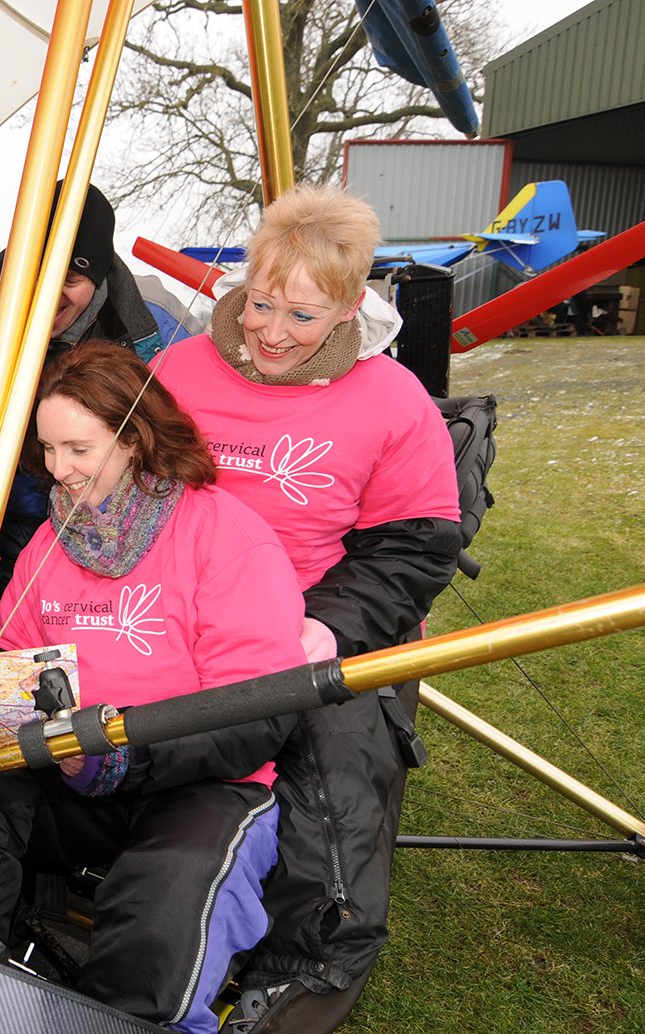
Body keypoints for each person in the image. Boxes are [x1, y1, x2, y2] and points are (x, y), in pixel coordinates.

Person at [0, 341, 310, 1033]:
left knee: (163, 894)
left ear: (133, 441)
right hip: (78, 778)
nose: (56, 470)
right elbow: (14, 665)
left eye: (77, 449)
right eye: (46, 449)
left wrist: (118, 750)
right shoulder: (48, 545)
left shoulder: (225, 534)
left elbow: (255, 712)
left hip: (204, 782)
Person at [152, 184, 462, 1033]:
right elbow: (126, 484)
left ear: (350, 308)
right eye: (260, 304)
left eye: (301, 314)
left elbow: (416, 545)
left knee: (334, 764)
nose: (271, 332)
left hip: (309, 625)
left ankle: (304, 970)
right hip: (182, 611)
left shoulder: (389, 399)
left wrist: (323, 625)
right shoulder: (177, 371)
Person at [0, 181, 201, 588]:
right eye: (33, 273)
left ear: (100, 273)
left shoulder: (158, 323)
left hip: (125, 525)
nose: (46, 294)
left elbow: (199, 422)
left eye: (69, 278)